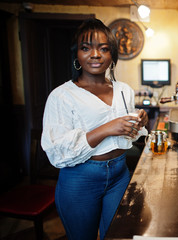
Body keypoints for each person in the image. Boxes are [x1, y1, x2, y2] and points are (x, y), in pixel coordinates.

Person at [41, 18, 148, 240]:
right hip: (80, 179)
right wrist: (107, 128)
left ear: (112, 55)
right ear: (77, 55)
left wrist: (139, 123)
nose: (95, 54)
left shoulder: (123, 90)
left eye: (104, 48)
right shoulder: (62, 96)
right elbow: (58, 151)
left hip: (120, 174)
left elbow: (127, 135)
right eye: (86, 48)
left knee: (118, 235)